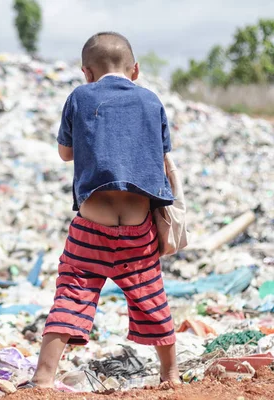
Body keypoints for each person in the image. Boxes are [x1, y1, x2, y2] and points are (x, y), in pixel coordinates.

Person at [28, 32, 181, 389]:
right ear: (136, 70)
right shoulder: (151, 101)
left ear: (87, 72)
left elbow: (66, 154)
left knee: (71, 294)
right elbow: (161, 157)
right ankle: (171, 375)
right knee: (152, 297)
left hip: (91, 229)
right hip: (137, 231)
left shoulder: (80, 97)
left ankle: (42, 379)